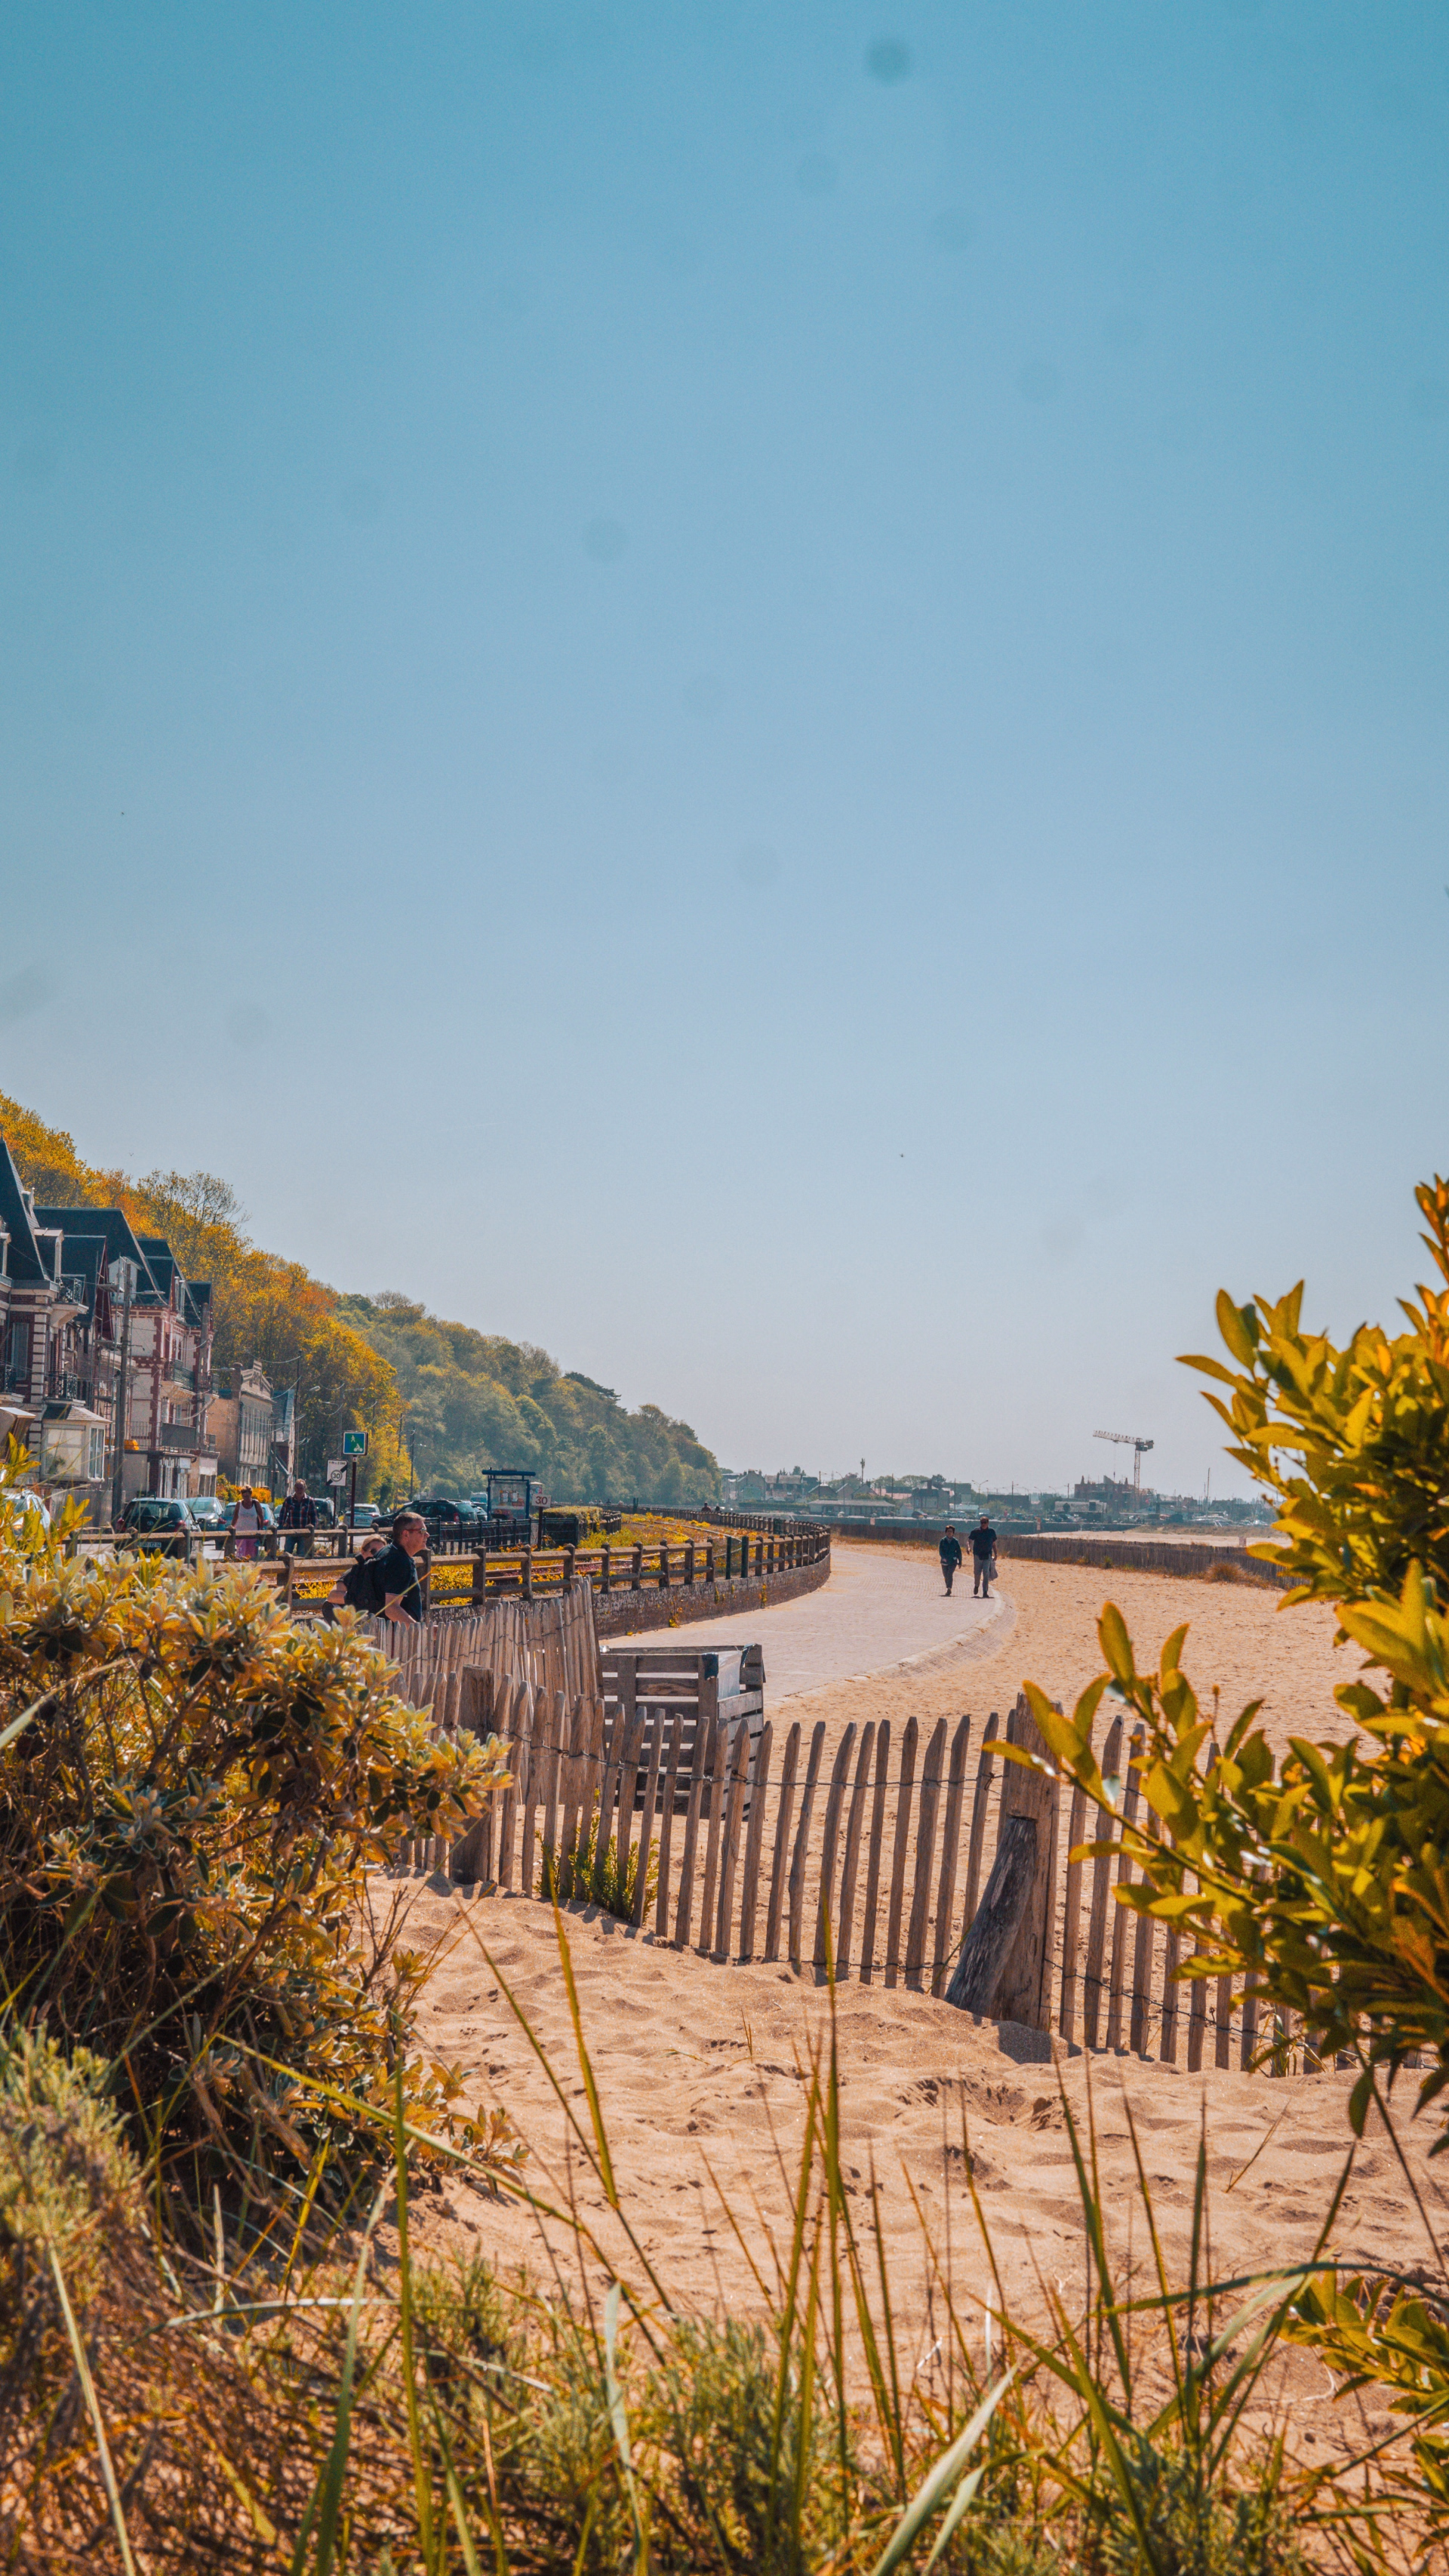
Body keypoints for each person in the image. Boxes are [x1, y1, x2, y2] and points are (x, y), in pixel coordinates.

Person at [371, 1508, 429, 1624]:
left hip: (381, 1631)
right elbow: (392, 1609)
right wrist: (420, 1632)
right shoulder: (400, 1561)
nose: (427, 1535)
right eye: (422, 1531)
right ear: (406, 1534)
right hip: (394, 1636)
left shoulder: (387, 1552)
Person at [328, 1531, 385, 1615]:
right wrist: (357, 1599)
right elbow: (332, 1596)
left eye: (382, 1552)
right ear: (363, 1552)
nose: (378, 1555)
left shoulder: (388, 1574)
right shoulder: (354, 1573)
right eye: (373, 1551)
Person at [278, 1477, 318, 1557]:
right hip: (291, 1531)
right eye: (297, 1488)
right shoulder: (289, 1500)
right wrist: (281, 1526)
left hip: (304, 1532)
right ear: (295, 1489)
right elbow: (283, 1514)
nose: (299, 1490)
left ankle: (299, 1569)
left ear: (305, 1489)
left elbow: (314, 1516)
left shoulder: (309, 1501)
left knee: (302, 1554)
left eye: (301, 1488)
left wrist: (313, 1530)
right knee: (287, 1554)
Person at [970, 1512, 997, 1598]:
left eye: (985, 1522)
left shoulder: (991, 1532)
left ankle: (985, 1591)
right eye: (982, 1522)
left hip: (987, 1555)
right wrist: (968, 1547)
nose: (983, 1524)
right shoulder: (976, 1531)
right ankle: (977, 1585)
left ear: (988, 1523)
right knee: (977, 1573)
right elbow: (970, 1540)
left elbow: (994, 1544)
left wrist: (996, 1554)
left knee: (986, 1573)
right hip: (978, 1555)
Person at [232, 1485, 263, 1562]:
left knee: (251, 1555)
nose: (246, 1498)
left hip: (253, 1534)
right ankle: (239, 1569)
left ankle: (250, 1571)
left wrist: (261, 1531)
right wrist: (231, 1528)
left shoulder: (256, 1504)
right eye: (244, 1496)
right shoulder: (239, 1504)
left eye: (247, 1496)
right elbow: (235, 1517)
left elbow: (261, 1517)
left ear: (251, 1495)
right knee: (241, 1554)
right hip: (240, 1533)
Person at [939, 1523, 963, 1596]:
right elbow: (940, 1551)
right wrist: (943, 1557)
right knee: (945, 1575)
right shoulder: (942, 1541)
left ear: (953, 1533)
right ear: (946, 1532)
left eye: (951, 1531)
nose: (949, 1533)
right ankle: (948, 1587)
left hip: (953, 1561)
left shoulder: (955, 1541)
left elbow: (959, 1551)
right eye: (948, 1531)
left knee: (950, 1574)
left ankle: (949, 1588)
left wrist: (960, 1561)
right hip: (944, 1561)